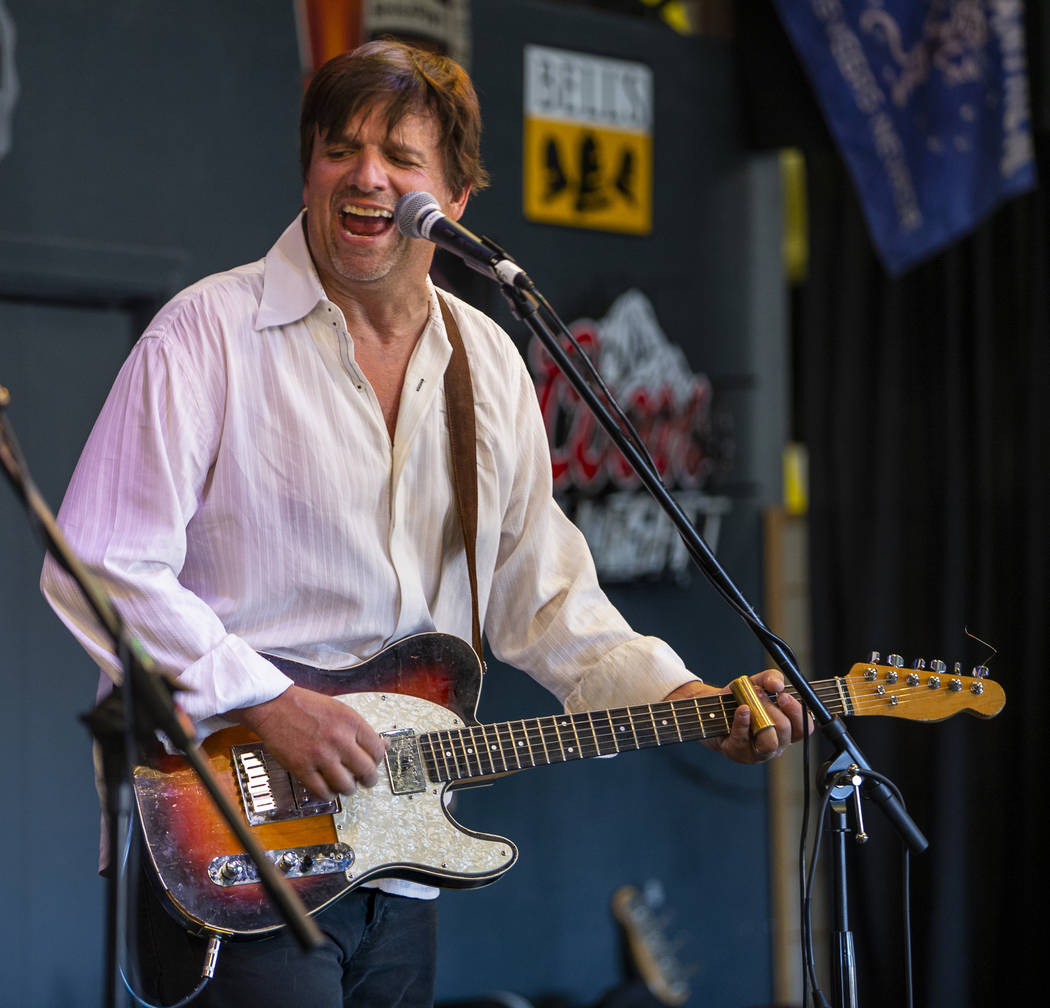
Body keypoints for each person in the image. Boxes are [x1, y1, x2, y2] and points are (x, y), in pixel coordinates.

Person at [41, 39, 810, 1008]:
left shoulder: (486, 363)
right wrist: (269, 701)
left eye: (401, 158)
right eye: (341, 149)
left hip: (399, 863)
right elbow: (96, 568)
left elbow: (550, 599)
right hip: (238, 842)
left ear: (457, 195)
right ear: (309, 168)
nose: (368, 176)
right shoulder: (205, 337)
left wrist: (688, 698)